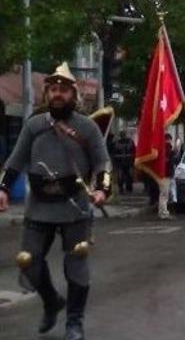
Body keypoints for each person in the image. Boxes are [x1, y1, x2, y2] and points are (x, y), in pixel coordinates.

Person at [0, 62, 111, 340]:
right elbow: (15, 161)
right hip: (38, 206)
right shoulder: (34, 125)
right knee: (28, 260)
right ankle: (51, 302)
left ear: (73, 95)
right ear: (46, 94)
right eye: (53, 90)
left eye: (63, 90)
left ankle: (75, 322)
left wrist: (102, 190)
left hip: (74, 207)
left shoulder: (86, 127)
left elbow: (102, 163)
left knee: (76, 264)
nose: (58, 94)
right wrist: (2, 188)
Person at [113, 130, 135, 194]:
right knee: (121, 176)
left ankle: (128, 187)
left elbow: (133, 151)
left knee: (128, 175)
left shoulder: (129, 142)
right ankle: (122, 188)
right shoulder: (117, 142)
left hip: (128, 161)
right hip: (121, 162)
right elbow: (114, 152)